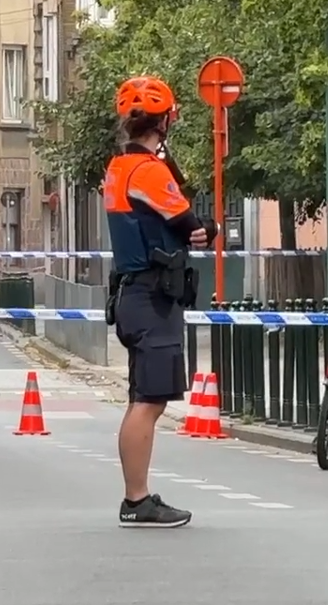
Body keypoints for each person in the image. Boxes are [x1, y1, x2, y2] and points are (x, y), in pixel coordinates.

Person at [104, 75, 218, 528]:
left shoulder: (118, 167)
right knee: (148, 401)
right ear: (166, 120)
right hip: (153, 296)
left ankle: (138, 497)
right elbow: (189, 221)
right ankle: (137, 499)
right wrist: (206, 227)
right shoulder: (148, 171)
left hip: (134, 292)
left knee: (143, 398)